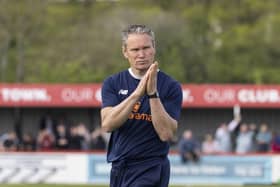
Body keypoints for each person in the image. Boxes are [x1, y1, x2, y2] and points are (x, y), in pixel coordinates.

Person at [101, 24, 182, 187]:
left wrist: (152, 94)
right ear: (125, 52)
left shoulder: (171, 86)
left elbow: (166, 134)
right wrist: (137, 93)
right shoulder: (113, 83)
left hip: (151, 167)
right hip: (119, 167)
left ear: (154, 48)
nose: (142, 54)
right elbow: (108, 124)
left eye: (146, 48)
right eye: (135, 50)